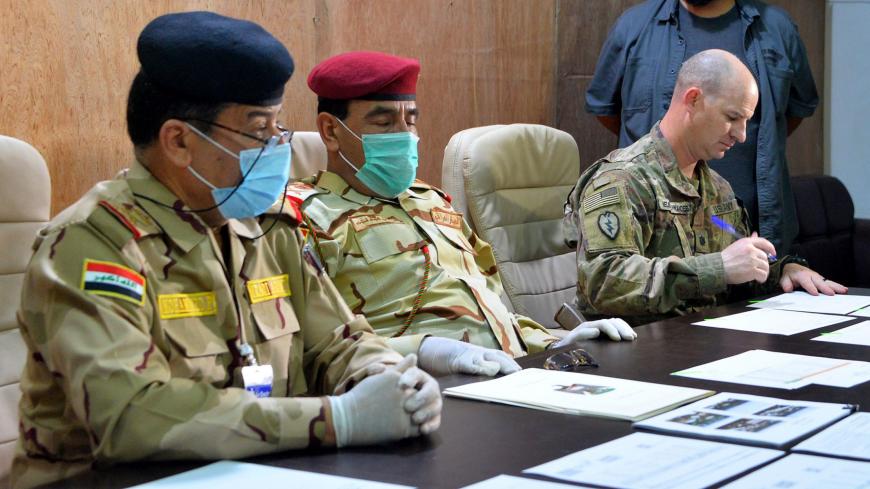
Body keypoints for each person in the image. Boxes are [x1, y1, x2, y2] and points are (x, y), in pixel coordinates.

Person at [12, 13, 441, 488]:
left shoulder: (265, 228)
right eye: (259, 131)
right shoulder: (94, 245)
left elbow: (338, 341)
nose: (279, 147)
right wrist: (336, 419)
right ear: (179, 141)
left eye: (279, 127)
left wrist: (389, 380)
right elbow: (131, 418)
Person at [271, 51, 636, 378]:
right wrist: (424, 353)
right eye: (383, 124)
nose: (404, 135)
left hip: (511, 375)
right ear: (330, 131)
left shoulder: (431, 202)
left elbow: (488, 303)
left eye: (410, 121)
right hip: (415, 386)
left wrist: (553, 340)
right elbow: (310, 348)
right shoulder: (300, 217)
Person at [565, 49, 846, 326]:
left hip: (704, 341)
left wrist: (782, 270)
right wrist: (719, 268)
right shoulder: (623, 180)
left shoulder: (717, 189)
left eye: (746, 121)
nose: (742, 134)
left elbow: (735, 271)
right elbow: (603, 283)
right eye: (733, 117)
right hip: (638, 351)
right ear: (694, 99)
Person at [585, 0, 818, 253]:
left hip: (753, 231)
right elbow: (607, 112)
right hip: (657, 238)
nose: (740, 133)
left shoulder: (776, 29)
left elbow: (790, 115)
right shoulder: (634, 27)